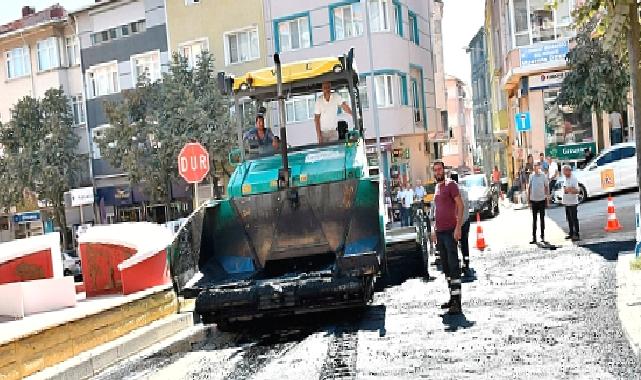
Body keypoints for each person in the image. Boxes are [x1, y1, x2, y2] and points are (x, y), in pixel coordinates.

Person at [431, 161, 465, 315]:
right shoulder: (437, 188)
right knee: (445, 267)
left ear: (444, 170)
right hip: (440, 233)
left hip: (451, 232)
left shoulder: (451, 185)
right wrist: (433, 230)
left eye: (440, 169)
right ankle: (452, 298)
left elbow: (461, 205)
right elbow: (435, 211)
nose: (438, 172)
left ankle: (457, 303)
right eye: (435, 170)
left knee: (453, 266)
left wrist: (458, 227)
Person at [450, 172, 471, 275]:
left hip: (456, 223)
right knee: (464, 243)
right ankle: (466, 263)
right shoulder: (464, 190)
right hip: (466, 220)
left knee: (453, 244)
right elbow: (468, 205)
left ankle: (456, 265)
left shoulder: (451, 191)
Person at [527, 162, 550, 245]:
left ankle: (542, 236)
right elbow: (529, 188)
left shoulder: (543, 176)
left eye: (537, 166)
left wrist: (547, 198)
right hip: (534, 201)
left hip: (542, 200)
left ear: (539, 167)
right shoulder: (531, 176)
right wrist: (528, 200)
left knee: (542, 219)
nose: (535, 168)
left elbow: (546, 187)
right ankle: (534, 238)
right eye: (534, 166)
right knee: (534, 220)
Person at [561, 165, 581, 241]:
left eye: (564, 171)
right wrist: (567, 189)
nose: (563, 173)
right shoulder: (565, 178)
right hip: (567, 202)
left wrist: (569, 189)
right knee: (569, 218)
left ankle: (577, 234)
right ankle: (571, 232)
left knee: (574, 218)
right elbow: (564, 188)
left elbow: (577, 190)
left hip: (573, 202)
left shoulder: (574, 179)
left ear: (568, 171)